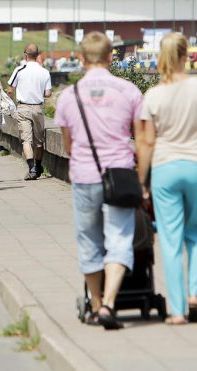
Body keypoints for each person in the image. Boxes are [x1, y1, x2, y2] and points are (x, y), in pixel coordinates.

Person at [136, 32, 197, 325]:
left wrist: (143, 180)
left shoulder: (153, 95)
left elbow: (147, 142)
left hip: (166, 168)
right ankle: (195, 296)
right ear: (186, 56)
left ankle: (178, 310)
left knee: (169, 239)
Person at [55, 31, 144, 330]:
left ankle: (95, 303)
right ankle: (109, 304)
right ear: (110, 57)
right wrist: (141, 179)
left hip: (84, 176)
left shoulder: (69, 96)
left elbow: (67, 145)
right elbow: (142, 140)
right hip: (119, 174)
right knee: (120, 239)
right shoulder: (129, 91)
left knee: (89, 240)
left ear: (81, 59)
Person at [8, 43, 53, 180]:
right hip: (38, 108)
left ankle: (32, 168)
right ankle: (39, 166)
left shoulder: (19, 70)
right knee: (39, 141)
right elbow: (48, 93)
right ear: (38, 55)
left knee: (26, 140)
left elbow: (10, 90)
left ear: (25, 55)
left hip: (23, 108)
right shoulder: (44, 72)